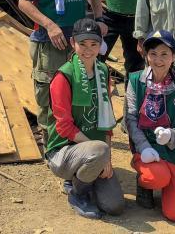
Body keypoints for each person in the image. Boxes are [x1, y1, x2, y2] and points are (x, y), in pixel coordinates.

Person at [19, 0, 107, 140]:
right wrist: (49, 25)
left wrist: (99, 19)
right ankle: (51, 144)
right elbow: (23, 2)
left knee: (77, 89)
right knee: (49, 93)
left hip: (78, 40)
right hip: (50, 41)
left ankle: (74, 141)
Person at [46, 18, 124, 219]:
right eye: (82, 44)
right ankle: (77, 194)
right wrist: (100, 154)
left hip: (94, 150)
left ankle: (82, 176)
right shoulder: (64, 76)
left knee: (115, 206)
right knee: (97, 151)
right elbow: (64, 127)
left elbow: (107, 118)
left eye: (93, 44)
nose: (88, 50)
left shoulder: (102, 70)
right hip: (62, 150)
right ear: (73, 43)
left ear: (100, 45)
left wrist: (106, 157)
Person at [125, 29, 175, 222]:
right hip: (147, 147)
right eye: (153, 54)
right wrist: (144, 147)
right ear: (146, 56)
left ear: (173, 56)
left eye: (164, 54)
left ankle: (173, 187)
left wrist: (171, 135)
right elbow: (131, 119)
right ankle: (145, 183)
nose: (158, 60)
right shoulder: (134, 81)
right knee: (156, 177)